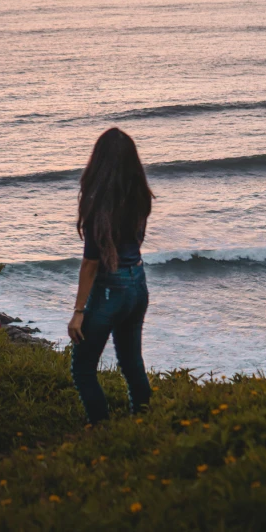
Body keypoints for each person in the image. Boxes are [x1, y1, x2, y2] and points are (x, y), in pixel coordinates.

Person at [68, 127, 154, 425]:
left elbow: (91, 263)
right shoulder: (140, 195)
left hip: (109, 291)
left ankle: (103, 431)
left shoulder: (97, 203)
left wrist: (78, 312)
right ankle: (143, 425)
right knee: (132, 364)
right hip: (138, 284)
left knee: (82, 369)